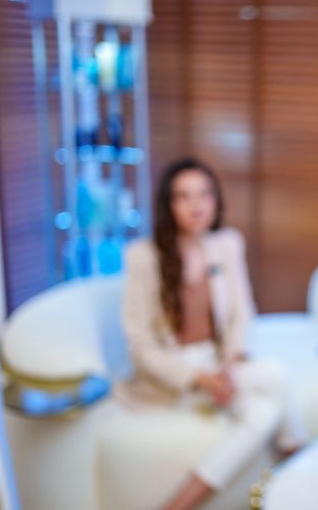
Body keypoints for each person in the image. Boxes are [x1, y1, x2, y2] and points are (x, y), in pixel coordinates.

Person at [118, 158, 303, 510]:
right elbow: (140, 346)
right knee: (276, 375)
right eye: (183, 196)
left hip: (219, 363)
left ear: (216, 200)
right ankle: (300, 463)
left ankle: (177, 506)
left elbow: (240, 316)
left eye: (204, 194)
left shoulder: (227, 245)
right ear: (168, 205)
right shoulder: (142, 257)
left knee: (263, 414)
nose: (196, 205)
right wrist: (202, 380)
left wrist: (229, 367)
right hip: (177, 375)